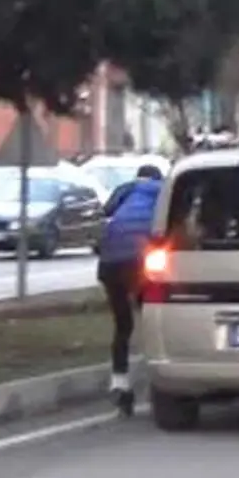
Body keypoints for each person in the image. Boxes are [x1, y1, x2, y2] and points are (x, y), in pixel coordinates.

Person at [96, 164, 165, 414]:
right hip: (140, 259)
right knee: (153, 319)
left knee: (122, 324)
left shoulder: (126, 188)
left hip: (110, 262)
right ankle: (159, 378)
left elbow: (106, 211)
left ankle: (119, 381)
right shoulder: (163, 190)